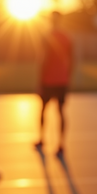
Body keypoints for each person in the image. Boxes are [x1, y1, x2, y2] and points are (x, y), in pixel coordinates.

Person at [35, 11, 73, 158]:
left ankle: (43, 139)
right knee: (60, 111)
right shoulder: (66, 37)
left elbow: (43, 59)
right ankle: (60, 144)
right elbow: (71, 59)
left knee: (45, 110)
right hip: (61, 80)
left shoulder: (47, 36)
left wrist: (40, 80)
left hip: (49, 80)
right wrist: (67, 75)